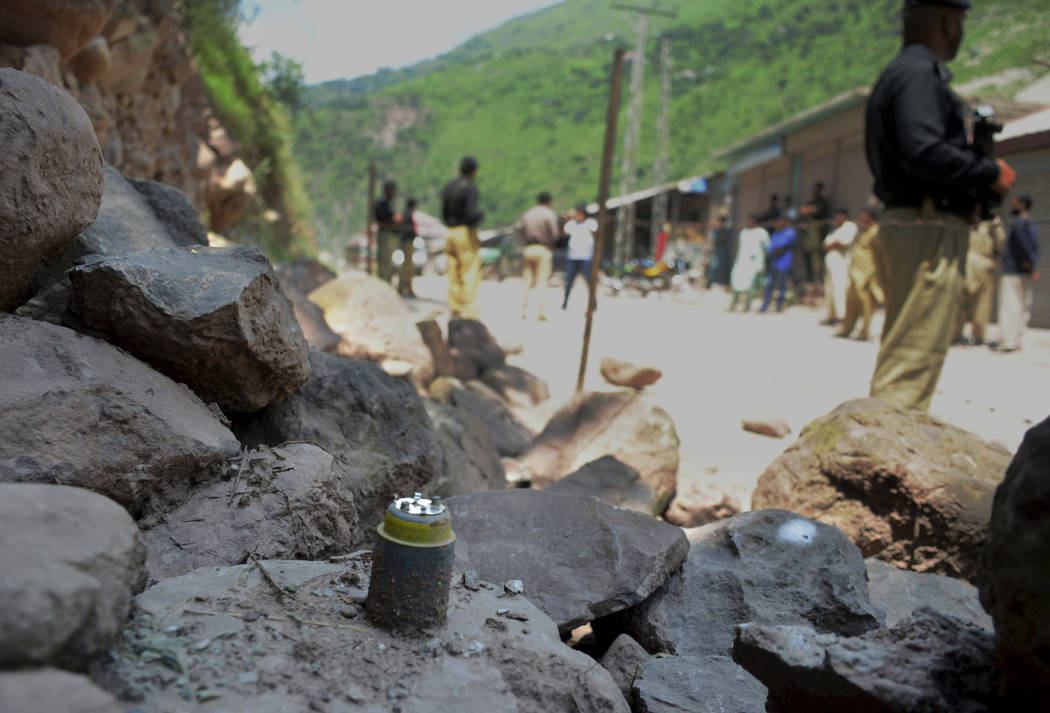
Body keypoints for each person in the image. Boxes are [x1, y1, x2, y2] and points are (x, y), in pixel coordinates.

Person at [865, 0, 1014, 411]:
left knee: (909, 352)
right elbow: (925, 150)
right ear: (949, 23)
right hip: (927, 227)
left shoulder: (902, 73)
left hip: (916, 224)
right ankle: (884, 455)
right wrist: (988, 172)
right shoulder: (917, 76)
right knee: (911, 362)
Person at [442, 156, 484, 318]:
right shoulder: (470, 188)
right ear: (473, 172)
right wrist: (480, 216)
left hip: (450, 232)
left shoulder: (449, 187)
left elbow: (444, 213)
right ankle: (469, 311)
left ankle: (455, 307)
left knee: (453, 270)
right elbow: (470, 213)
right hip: (465, 233)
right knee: (470, 270)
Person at [997, 195, 1040, 352]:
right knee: (1022, 305)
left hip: (1013, 271)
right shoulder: (1031, 223)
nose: (1010, 206)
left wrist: (1028, 266)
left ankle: (1009, 341)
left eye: (1014, 203)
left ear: (1022, 205)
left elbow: (1025, 246)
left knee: (1011, 304)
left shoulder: (1021, 224)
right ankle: (1015, 340)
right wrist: (1031, 268)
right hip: (1023, 271)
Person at [953, 214, 1005, 345]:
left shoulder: (962, 213)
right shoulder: (993, 220)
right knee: (982, 302)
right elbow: (1001, 240)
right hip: (981, 262)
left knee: (960, 300)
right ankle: (977, 335)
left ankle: (955, 334)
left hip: (965, 261)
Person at [838, 208, 885, 340]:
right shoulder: (863, 231)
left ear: (870, 217)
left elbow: (878, 255)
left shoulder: (876, 232)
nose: (861, 218)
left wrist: (874, 274)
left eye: (863, 216)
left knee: (866, 304)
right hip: (856, 272)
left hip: (867, 273)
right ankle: (846, 329)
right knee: (851, 301)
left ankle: (865, 332)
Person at [520, 191, 560, 321]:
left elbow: (521, 231)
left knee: (527, 281)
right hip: (543, 249)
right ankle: (541, 312)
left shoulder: (528, 213)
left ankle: (523, 310)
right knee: (542, 281)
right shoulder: (549, 214)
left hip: (529, 248)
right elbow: (555, 234)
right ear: (549, 202)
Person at [822, 208, 859, 325]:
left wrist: (833, 244)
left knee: (840, 287)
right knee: (829, 288)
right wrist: (833, 244)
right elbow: (825, 245)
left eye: (839, 216)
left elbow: (843, 244)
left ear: (844, 216)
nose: (836, 219)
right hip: (831, 261)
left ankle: (841, 315)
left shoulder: (850, 226)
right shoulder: (835, 229)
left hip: (841, 263)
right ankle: (831, 315)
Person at [729, 214, 770, 312]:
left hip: (755, 264)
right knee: (736, 283)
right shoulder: (744, 233)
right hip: (742, 263)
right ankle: (734, 304)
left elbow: (767, 248)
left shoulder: (761, 233)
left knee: (751, 286)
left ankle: (747, 306)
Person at [562, 202, 597, 310]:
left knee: (589, 281)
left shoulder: (591, 222)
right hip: (573, 256)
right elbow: (564, 233)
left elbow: (595, 232)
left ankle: (593, 303)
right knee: (569, 282)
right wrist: (568, 219)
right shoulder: (572, 224)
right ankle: (565, 302)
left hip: (586, 256)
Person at [760, 216, 796, 312]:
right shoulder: (775, 234)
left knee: (782, 285)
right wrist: (776, 249)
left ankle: (779, 306)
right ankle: (765, 305)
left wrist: (776, 249)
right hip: (774, 263)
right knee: (768, 285)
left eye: (779, 222)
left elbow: (781, 246)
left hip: (784, 264)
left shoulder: (789, 232)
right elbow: (770, 248)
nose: (777, 224)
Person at [799, 182, 831, 285]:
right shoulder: (811, 202)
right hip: (808, 236)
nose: (815, 191)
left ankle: (818, 281)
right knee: (807, 259)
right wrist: (806, 210)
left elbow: (815, 211)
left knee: (816, 260)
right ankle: (810, 280)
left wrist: (808, 210)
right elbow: (801, 212)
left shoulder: (823, 202)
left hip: (817, 236)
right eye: (814, 189)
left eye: (817, 189)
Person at [374, 180, 400, 283]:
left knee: (389, 262)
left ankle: (387, 282)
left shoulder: (389, 203)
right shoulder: (382, 203)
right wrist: (393, 222)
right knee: (384, 262)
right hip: (385, 234)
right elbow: (381, 218)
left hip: (390, 234)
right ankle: (383, 282)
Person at [398, 198, 418, 297]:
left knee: (407, 266)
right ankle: (405, 287)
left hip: (407, 242)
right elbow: (407, 229)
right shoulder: (408, 215)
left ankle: (404, 287)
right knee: (408, 267)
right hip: (407, 242)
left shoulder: (406, 214)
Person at [707, 216, 732, 287]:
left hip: (723, 252)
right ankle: (711, 283)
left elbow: (723, 239)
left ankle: (720, 282)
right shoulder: (716, 231)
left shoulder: (727, 231)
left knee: (722, 268)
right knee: (713, 267)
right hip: (717, 252)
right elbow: (713, 241)